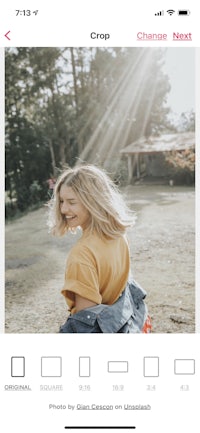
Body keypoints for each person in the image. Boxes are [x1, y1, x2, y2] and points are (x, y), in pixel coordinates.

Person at [47, 164, 151, 333]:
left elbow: (87, 325)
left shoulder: (82, 254)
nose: (63, 209)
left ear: (92, 202)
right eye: (61, 201)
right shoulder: (119, 235)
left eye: (72, 202)